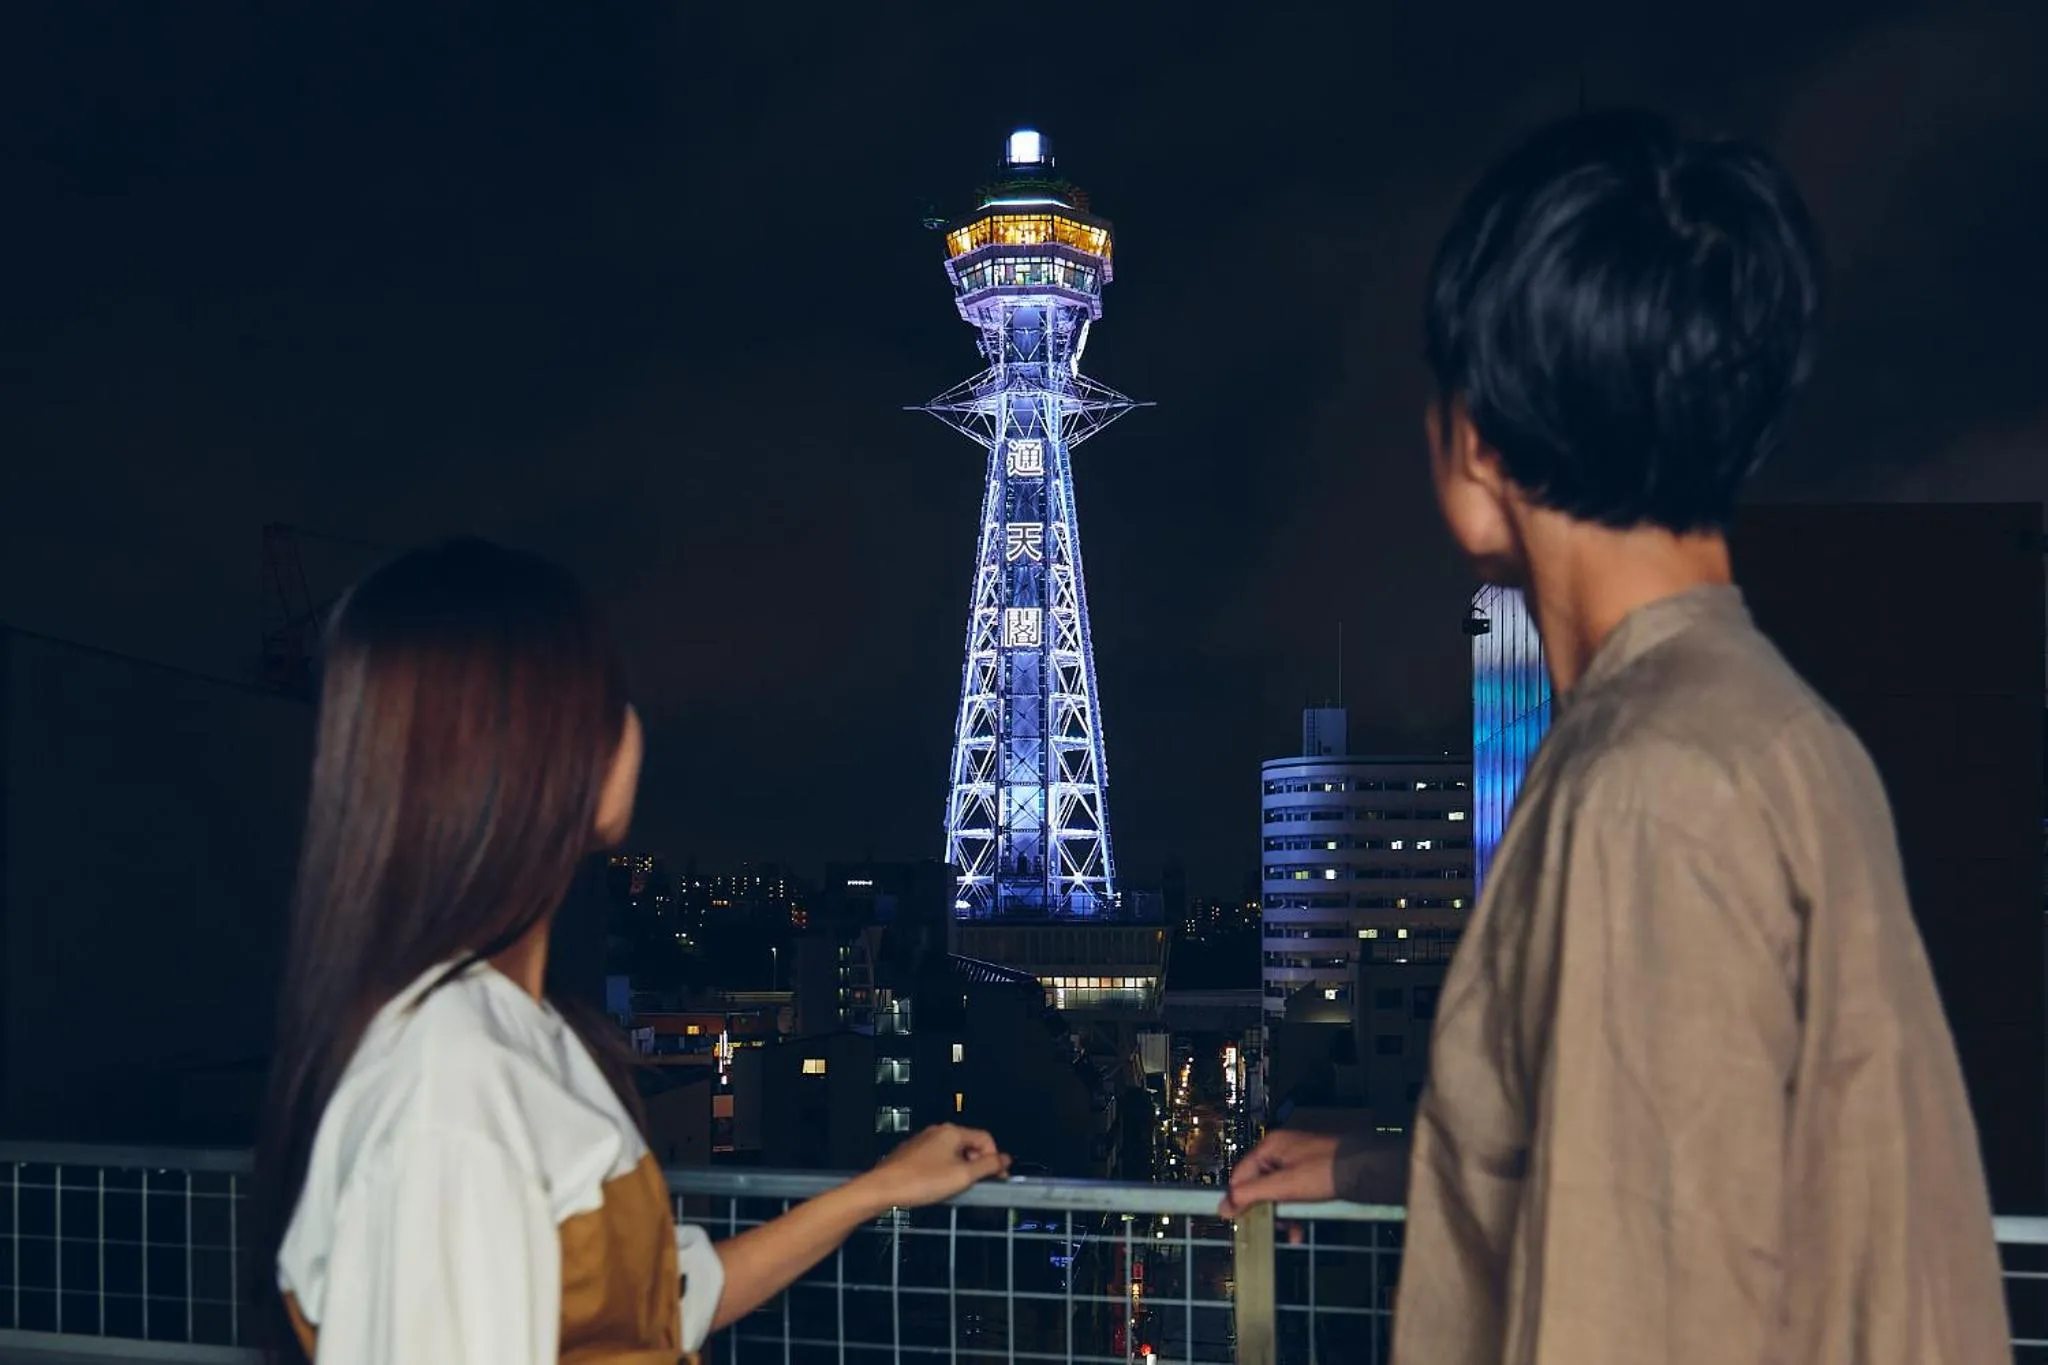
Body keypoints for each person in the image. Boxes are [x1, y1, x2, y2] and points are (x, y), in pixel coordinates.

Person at [1223, 109, 2008, 1363]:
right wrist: (1390, 1165)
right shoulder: (1768, 726)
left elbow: (1642, 1287)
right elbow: (1693, 1159)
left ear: (1473, 442)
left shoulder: (1646, 789)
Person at [249, 540, 1011, 1364]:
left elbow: (655, 1310)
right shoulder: (451, 1087)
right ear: (540, 754)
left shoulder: (511, 1033)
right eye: (612, 698)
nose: (635, 722)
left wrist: (883, 1186)